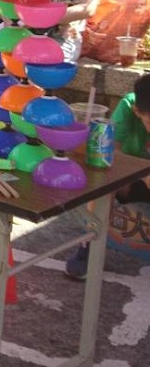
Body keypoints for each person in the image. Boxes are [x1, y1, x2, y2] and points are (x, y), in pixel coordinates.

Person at [64, 74, 150, 279]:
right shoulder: (128, 106)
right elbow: (112, 153)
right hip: (131, 179)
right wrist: (143, 172)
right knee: (101, 179)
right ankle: (88, 247)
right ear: (137, 111)